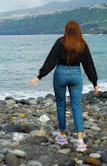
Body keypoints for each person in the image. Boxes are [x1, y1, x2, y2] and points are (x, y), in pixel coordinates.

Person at [29, 20, 99, 152]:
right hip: (75, 75)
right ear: (78, 31)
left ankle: (62, 136)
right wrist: (94, 82)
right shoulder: (82, 44)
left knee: (61, 105)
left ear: (66, 30)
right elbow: (89, 65)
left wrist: (39, 76)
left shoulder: (60, 42)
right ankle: (79, 141)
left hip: (60, 74)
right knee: (76, 106)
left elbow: (51, 60)